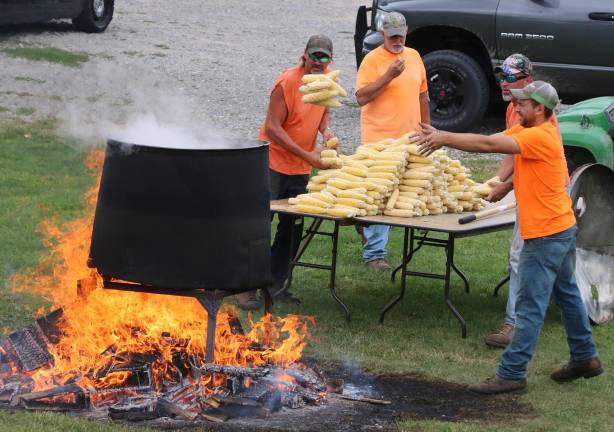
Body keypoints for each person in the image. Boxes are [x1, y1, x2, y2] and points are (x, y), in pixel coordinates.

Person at [417, 81, 602, 394]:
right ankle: (585, 357)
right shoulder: (534, 128)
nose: (516, 107)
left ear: (540, 109)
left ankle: (512, 372)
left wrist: (443, 137)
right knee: (568, 293)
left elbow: (488, 146)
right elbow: (505, 147)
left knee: (529, 306)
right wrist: (506, 184)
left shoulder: (539, 135)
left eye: (523, 103)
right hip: (562, 227)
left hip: (545, 234)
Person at [235, 35, 335, 310]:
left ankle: (276, 284)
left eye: (323, 57)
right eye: (314, 56)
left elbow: (323, 114)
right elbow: (272, 128)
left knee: (292, 229)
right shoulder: (287, 83)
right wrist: (307, 155)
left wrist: (325, 131)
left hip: (300, 169)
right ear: (304, 55)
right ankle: (244, 288)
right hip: (273, 163)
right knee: (258, 225)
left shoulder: (327, 82)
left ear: (331, 60)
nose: (318, 62)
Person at [484, 54, 565, 348]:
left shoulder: (539, 118)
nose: (504, 84)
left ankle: (514, 325)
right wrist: (498, 183)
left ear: (528, 81)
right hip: (535, 191)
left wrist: (503, 185)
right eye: (502, 77)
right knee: (556, 266)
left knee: (522, 257)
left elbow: (494, 144)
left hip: (544, 196)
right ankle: (579, 342)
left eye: (511, 78)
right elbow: (513, 151)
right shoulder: (517, 108)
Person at [355, 11, 430, 271]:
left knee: (403, 195)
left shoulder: (414, 56)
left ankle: (363, 223)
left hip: (409, 138)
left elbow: (422, 95)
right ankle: (375, 254)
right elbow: (361, 97)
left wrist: (427, 128)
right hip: (379, 139)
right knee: (382, 194)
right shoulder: (372, 60)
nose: (397, 40)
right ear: (382, 34)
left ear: (406, 31)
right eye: (392, 36)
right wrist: (388, 76)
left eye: (401, 35)